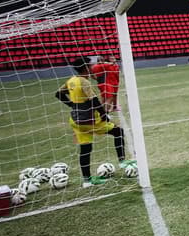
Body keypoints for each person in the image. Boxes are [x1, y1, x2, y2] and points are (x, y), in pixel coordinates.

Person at [55, 56, 133, 186]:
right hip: (90, 120)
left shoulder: (71, 81)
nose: (92, 68)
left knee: (85, 148)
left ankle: (87, 180)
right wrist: (104, 116)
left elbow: (58, 94)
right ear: (86, 68)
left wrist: (72, 105)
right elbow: (94, 101)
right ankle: (122, 161)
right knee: (118, 132)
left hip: (75, 120)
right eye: (90, 66)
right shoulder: (84, 82)